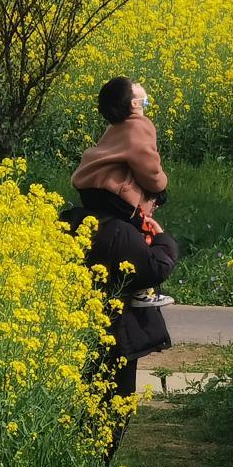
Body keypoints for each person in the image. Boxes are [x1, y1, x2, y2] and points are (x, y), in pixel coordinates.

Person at [60, 189, 179, 462]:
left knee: (88, 407)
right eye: (152, 200)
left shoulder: (73, 219)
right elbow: (154, 269)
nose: (154, 208)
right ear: (135, 195)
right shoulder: (119, 230)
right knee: (114, 408)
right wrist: (162, 239)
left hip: (74, 332)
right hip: (116, 337)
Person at [72, 76, 173, 307]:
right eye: (143, 100)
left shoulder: (115, 126)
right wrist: (161, 186)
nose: (140, 86)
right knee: (141, 232)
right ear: (134, 105)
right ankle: (141, 291)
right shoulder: (139, 125)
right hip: (113, 195)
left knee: (113, 235)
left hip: (91, 191)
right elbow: (148, 166)